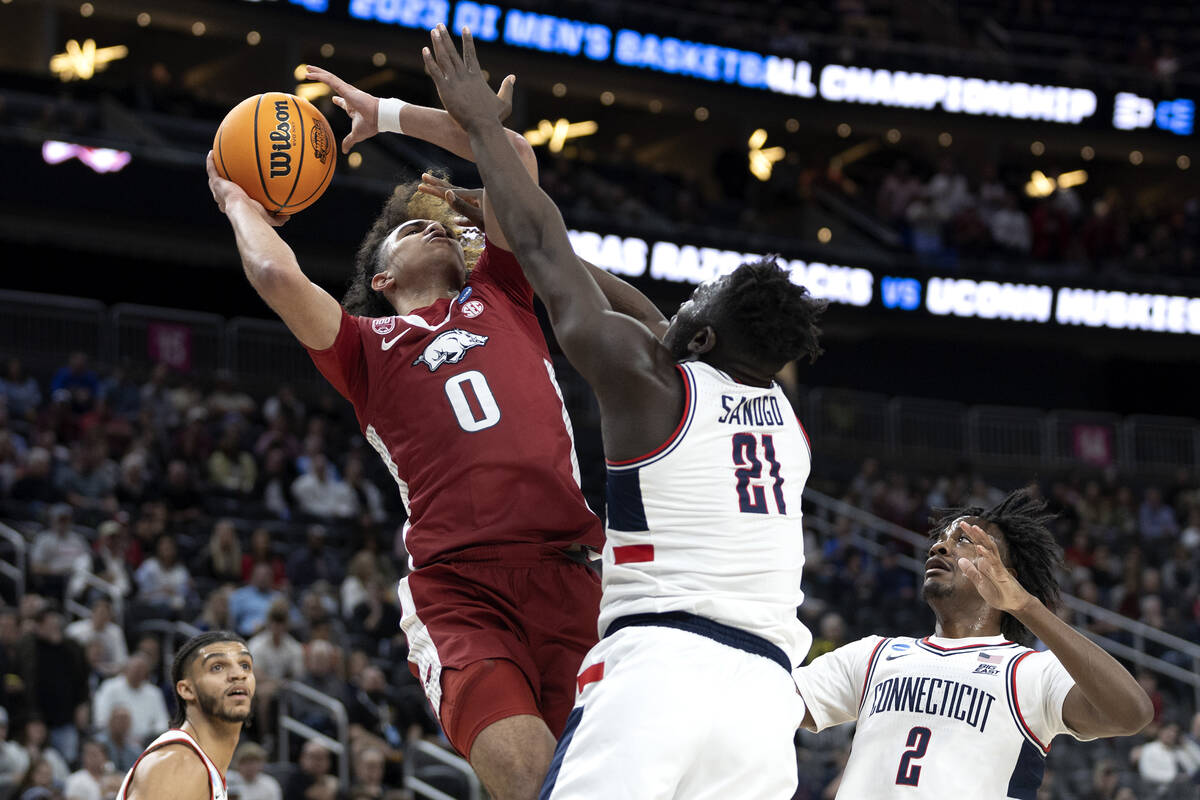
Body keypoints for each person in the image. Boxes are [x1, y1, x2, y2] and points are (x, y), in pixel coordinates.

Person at [209, 50, 662, 800]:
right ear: (381, 279)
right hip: (461, 587)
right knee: (525, 778)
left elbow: (511, 154)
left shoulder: (504, 289)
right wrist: (239, 201)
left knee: (603, 784)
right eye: (416, 229)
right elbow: (275, 275)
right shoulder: (364, 347)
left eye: (441, 224)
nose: (439, 227)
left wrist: (384, 116)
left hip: (571, 572)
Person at [423, 27, 822, 799]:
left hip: (661, 671)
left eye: (695, 300)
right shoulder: (783, 416)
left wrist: (480, 129)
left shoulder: (654, 385)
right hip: (764, 703)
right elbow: (648, 319)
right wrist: (503, 205)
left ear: (701, 336)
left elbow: (541, 247)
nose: (677, 306)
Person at [793, 489, 1153, 798]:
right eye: (941, 539)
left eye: (962, 540)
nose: (940, 546)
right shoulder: (874, 655)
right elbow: (771, 700)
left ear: (1006, 575)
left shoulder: (1030, 671)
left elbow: (1132, 713)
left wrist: (1027, 605)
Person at [115, 631, 254, 800]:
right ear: (187, 690)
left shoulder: (201, 765)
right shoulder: (177, 764)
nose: (238, 674)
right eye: (217, 667)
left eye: (245, 665)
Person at [92, 654, 169, 744]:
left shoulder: (154, 693)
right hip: (114, 738)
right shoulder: (110, 687)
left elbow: (163, 722)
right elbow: (101, 718)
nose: (137, 673)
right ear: (126, 670)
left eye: (141, 670)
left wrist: (147, 736)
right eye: (135, 669)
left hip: (145, 741)